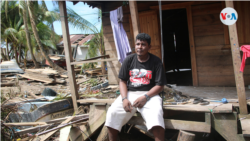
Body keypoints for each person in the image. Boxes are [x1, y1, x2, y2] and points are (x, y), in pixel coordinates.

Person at [105, 33, 166, 141]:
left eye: (143, 44)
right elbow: (122, 81)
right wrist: (124, 99)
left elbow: (160, 85)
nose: (140, 47)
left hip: (150, 94)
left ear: (149, 47)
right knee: (112, 113)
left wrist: (145, 97)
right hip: (130, 94)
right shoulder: (128, 60)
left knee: (156, 116)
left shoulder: (156, 61)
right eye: (138, 44)